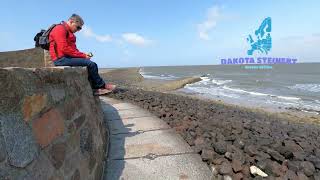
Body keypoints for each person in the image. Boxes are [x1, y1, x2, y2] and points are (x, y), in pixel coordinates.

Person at [49, 14, 116, 95]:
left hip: (66, 57)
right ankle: (99, 86)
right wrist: (83, 56)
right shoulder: (59, 29)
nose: (79, 30)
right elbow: (64, 48)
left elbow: (73, 49)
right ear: (71, 21)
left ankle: (98, 86)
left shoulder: (69, 32)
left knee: (89, 63)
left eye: (80, 28)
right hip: (60, 59)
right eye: (78, 27)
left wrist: (84, 55)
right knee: (91, 64)